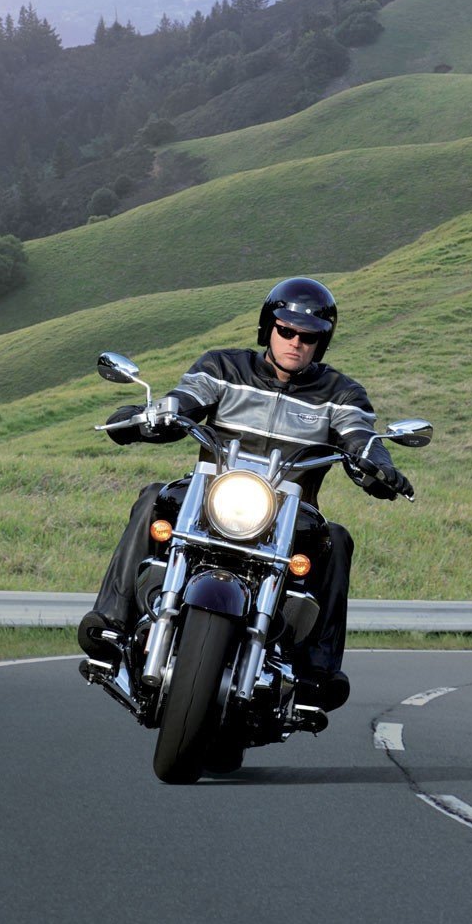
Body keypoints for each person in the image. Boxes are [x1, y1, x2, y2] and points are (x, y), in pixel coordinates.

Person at [78, 277, 414, 710]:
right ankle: (111, 620)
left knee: (337, 539)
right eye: (286, 330)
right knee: (154, 496)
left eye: (309, 336)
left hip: (291, 518)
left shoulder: (340, 394)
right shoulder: (223, 368)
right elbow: (184, 399)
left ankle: (319, 667)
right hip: (211, 501)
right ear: (267, 328)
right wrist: (151, 416)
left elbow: (360, 436)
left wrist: (378, 467)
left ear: (322, 342)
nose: (296, 342)